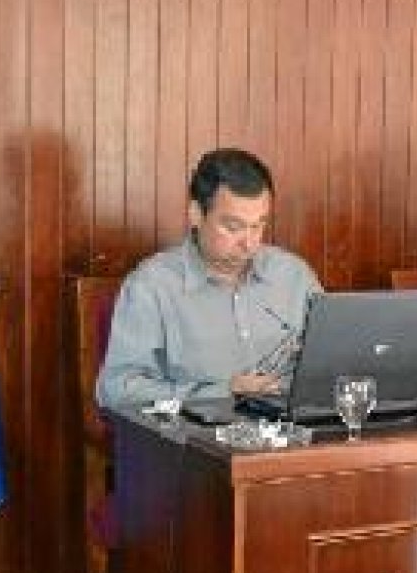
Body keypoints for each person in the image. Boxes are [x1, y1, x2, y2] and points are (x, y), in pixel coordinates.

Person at [96, 148, 323, 408]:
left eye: (258, 225)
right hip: (194, 439)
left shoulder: (293, 275)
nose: (249, 243)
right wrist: (223, 390)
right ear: (196, 214)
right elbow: (117, 390)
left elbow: (336, 358)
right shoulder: (151, 287)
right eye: (233, 227)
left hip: (293, 433)